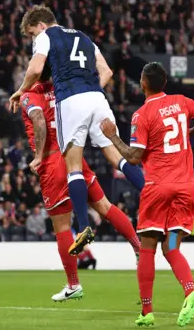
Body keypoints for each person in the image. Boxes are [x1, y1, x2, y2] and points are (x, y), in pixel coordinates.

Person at [11, 5, 145, 255]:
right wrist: (93, 91)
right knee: (117, 158)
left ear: (40, 25)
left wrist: (21, 89)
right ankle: (150, 191)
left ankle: (83, 227)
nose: (32, 38)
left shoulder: (45, 37)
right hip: (97, 97)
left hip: (72, 100)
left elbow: (36, 69)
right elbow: (106, 72)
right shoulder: (83, 36)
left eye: (31, 33)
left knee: (73, 166)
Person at [100, 62, 194, 327]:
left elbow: (134, 157)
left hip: (157, 187)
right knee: (171, 247)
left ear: (143, 84)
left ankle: (146, 312)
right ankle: (190, 291)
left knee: (147, 247)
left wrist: (113, 137)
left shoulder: (142, 114)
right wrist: (190, 132)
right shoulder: (181, 102)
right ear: (165, 83)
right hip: (185, 187)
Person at [20, 66, 141, 302]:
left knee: (62, 227)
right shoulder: (62, 89)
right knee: (105, 206)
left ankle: (73, 284)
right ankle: (138, 247)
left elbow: (37, 119)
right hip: (73, 154)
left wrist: (38, 155)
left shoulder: (29, 96)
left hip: (52, 160)